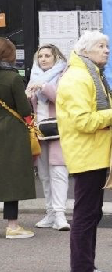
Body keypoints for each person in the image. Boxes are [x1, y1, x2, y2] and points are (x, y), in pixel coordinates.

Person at [57, 31, 112, 270]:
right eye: (101, 46)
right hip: (86, 155)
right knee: (86, 216)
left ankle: (87, 265)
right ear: (85, 51)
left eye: (107, 46)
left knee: (92, 214)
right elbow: (83, 121)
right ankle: (82, 267)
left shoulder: (90, 74)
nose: (106, 50)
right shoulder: (78, 78)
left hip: (93, 153)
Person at [26, 44, 70, 231]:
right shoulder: (34, 76)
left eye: (47, 56)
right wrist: (28, 95)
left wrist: (43, 86)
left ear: (56, 57)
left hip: (58, 129)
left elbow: (61, 98)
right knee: (44, 174)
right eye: (40, 56)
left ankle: (60, 214)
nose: (43, 59)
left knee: (59, 171)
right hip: (39, 130)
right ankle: (50, 212)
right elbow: (32, 106)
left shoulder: (64, 75)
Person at [0, 37, 36, 239]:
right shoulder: (13, 78)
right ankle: (12, 226)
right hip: (11, 133)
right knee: (11, 178)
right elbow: (23, 109)